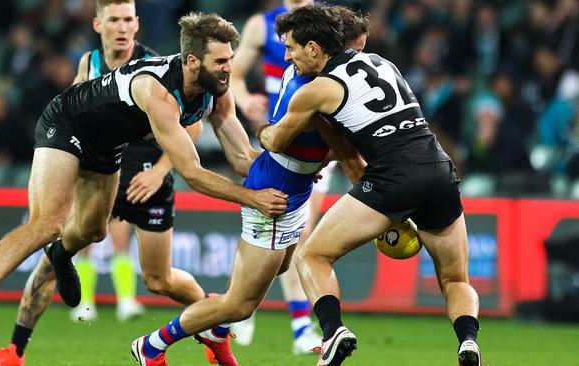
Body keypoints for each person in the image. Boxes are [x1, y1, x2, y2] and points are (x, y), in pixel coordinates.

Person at [0, 12, 288, 355]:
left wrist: (286, 172)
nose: (230, 67)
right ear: (193, 61)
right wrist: (252, 198)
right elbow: (192, 173)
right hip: (67, 123)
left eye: (230, 59)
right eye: (221, 61)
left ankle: (60, 255)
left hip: (108, 145)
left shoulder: (216, 89)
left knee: (92, 232)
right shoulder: (157, 89)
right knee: (49, 223)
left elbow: (243, 156)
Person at [129, 8, 368, 366]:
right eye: (356, 51)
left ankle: (216, 331)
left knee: (286, 265)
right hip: (275, 195)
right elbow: (288, 141)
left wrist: (308, 162)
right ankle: (151, 345)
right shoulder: (313, 87)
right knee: (238, 305)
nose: (360, 60)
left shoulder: (308, 74)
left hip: (294, 187)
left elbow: (312, 143)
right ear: (327, 47)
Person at [0, 2, 206, 365]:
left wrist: (160, 170)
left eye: (128, 20)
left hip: (146, 172)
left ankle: (213, 322)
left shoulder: (158, 67)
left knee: (159, 280)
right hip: (101, 171)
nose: (122, 28)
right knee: (57, 250)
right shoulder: (89, 62)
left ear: (137, 24)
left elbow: (191, 126)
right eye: (114, 20)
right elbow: (73, 110)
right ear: (98, 24)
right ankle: (14, 350)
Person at [259, 5, 482, 366]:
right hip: (440, 168)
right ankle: (468, 342)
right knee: (456, 279)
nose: (289, 57)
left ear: (314, 48)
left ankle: (333, 332)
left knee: (312, 256)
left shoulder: (318, 89)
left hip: (392, 175)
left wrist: (261, 130)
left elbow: (277, 141)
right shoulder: (383, 63)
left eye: (293, 49)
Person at [230, 0, 324, 353]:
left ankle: (296, 325)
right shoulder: (261, 24)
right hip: (279, 137)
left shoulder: (323, 23)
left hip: (314, 144)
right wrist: (245, 99)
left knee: (302, 234)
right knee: (273, 230)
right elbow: (234, 75)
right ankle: (244, 311)